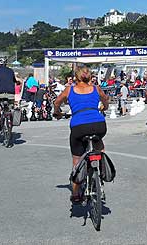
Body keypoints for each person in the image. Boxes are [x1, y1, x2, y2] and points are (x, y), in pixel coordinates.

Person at [53, 65, 109, 203]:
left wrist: (57, 112)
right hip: (99, 124)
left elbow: (56, 102)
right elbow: (105, 100)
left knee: (76, 160)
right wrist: (103, 107)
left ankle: (76, 193)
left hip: (79, 127)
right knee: (99, 144)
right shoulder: (96, 88)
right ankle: (100, 166)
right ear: (89, 76)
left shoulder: (69, 90)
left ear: (75, 77)